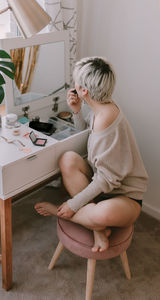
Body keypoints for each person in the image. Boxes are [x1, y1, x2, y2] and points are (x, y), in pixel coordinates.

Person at [34, 56, 148, 253]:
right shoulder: (100, 107)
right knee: (67, 159)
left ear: (84, 91)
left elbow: (107, 179)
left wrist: (72, 205)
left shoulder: (107, 119)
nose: (74, 84)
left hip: (126, 195)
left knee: (102, 214)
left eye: (76, 81)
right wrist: (77, 111)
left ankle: (61, 213)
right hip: (103, 183)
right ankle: (97, 230)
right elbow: (88, 134)